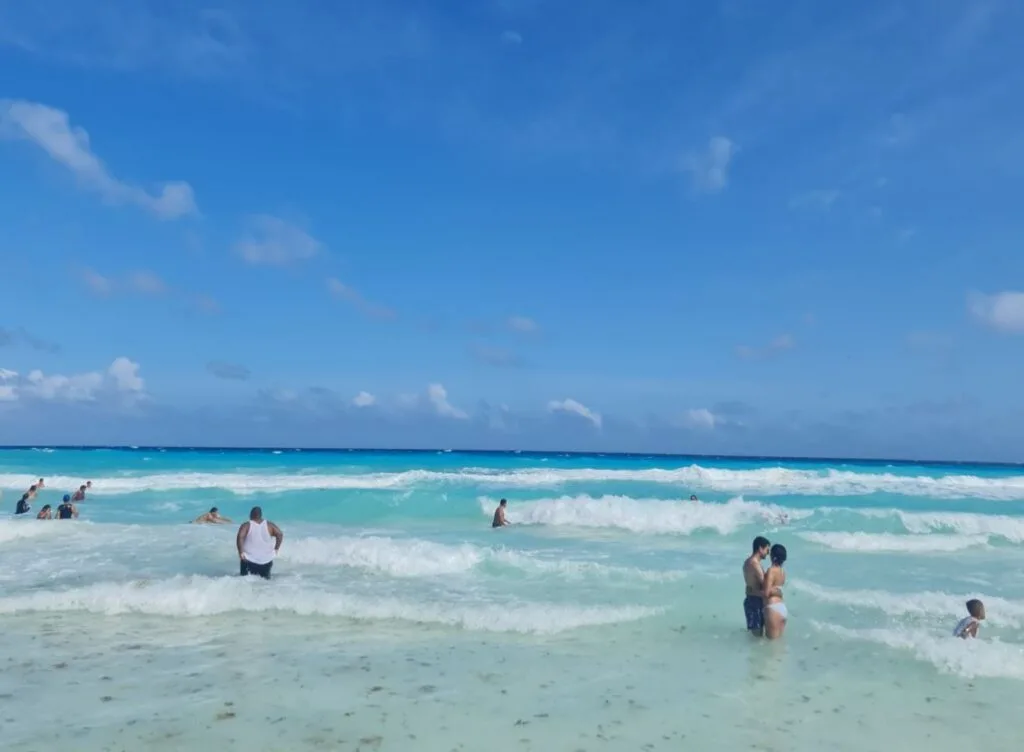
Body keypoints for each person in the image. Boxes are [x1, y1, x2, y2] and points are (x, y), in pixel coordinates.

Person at [236, 506, 283, 579]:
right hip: (266, 560)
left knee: (245, 581)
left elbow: (240, 537)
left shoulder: (247, 525)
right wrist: (276, 549)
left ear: (251, 515)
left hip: (249, 559)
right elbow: (280, 534)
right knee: (265, 583)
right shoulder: (269, 525)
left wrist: (241, 552)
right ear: (261, 515)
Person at [743, 536, 771, 636]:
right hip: (755, 603)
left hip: (751, 600)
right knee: (757, 637)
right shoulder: (754, 564)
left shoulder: (748, 562)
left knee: (756, 637)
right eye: (767, 549)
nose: (768, 553)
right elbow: (765, 585)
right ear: (760, 548)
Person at [763, 544, 788, 640]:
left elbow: (767, 592)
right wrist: (779, 592)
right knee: (778, 644)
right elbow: (779, 589)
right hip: (782, 608)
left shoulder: (771, 570)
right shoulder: (782, 572)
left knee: (771, 645)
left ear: (772, 556)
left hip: (772, 608)